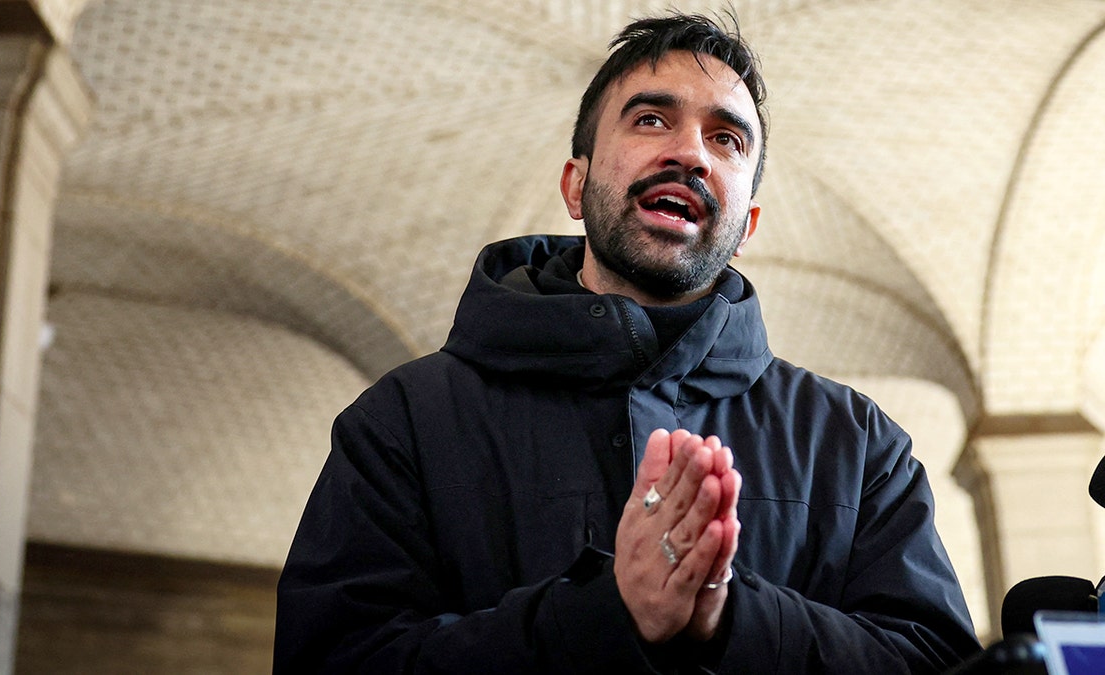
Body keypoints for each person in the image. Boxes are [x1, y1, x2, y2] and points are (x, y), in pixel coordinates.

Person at [275, 12, 982, 674]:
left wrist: (730, 616)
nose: (690, 153)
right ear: (576, 186)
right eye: (651, 119)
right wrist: (602, 616)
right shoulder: (405, 419)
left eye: (726, 139)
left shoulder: (858, 444)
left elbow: (934, 660)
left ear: (747, 226)